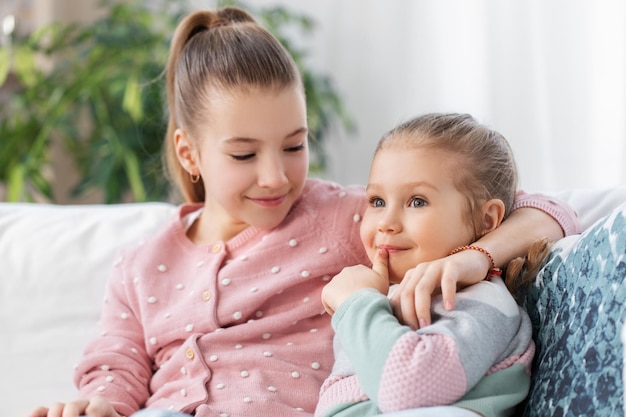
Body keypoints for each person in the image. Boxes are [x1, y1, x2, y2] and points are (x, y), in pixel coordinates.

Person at [27, 7, 579, 417]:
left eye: (294, 145)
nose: (276, 175)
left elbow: (549, 212)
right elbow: (116, 368)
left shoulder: (351, 220)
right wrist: (97, 404)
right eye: (244, 154)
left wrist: (473, 257)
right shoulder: (138, 268)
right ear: (189, 152)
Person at [315, 113, 564, 417]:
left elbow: (407, 389)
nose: (387, 223)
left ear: (487, 220)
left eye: (417, 201)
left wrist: (356, 303)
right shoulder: (382, 293)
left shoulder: (481, 303)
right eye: (377, 201)